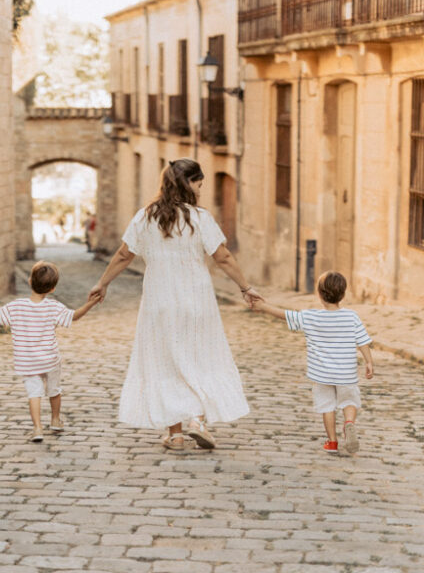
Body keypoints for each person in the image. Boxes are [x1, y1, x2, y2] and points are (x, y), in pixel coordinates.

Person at [89, 159, 261, 450]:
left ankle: (176, 434)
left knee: (166, 363)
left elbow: (122, 255)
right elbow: (224, 257)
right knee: (199, 359)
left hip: (159, 302)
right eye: (199, 184)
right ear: (189, 184)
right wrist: (245, 287)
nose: (200, 190)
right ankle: (197, 419)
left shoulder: (145, 217)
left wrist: (102, 282)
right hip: (197, 301)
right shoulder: (200, 218)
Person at [251, 271, 374, 454]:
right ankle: (349, 423)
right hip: (346, 373)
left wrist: (263, 306)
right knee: (349, 401)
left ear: (319, 294)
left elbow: (285, 315)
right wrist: (369, 362)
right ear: (343, 294)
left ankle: (332, 442)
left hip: (322, 374)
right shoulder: (351, 316)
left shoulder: (311, 317)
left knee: (327, 407)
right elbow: (362, 341)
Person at [0, 261, 100, 442]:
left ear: (29, 281)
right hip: (50, 360)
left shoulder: (17, 306)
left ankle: (37, 428)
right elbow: (73, 316)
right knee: (54, 390)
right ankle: (55, 420)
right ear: (52, 289)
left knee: (34, 394)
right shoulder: (53, 307)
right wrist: (90, 304)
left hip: (27, 362)